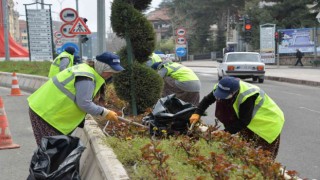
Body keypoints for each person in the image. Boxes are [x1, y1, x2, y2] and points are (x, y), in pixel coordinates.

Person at [28, 51, 125, 146]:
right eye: (110, 71)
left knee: (53, 154)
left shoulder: (86, 70)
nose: (111, 75)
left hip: (47, 112)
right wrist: (105, 112)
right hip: (46, 115)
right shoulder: (86, 77)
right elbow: (84, 103)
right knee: (51, 154)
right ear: (101, 67)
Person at [189, 77, 285, 159]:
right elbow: (207, 100)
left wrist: (223, 133)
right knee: (246, 152)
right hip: (249, 123)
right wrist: (197, 113)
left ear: (235, 92)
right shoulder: (221, 87)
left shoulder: (247, 96)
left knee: (263, 157)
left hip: (268, 123)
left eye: (224, 96)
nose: (221, 97)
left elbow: (244, 121)